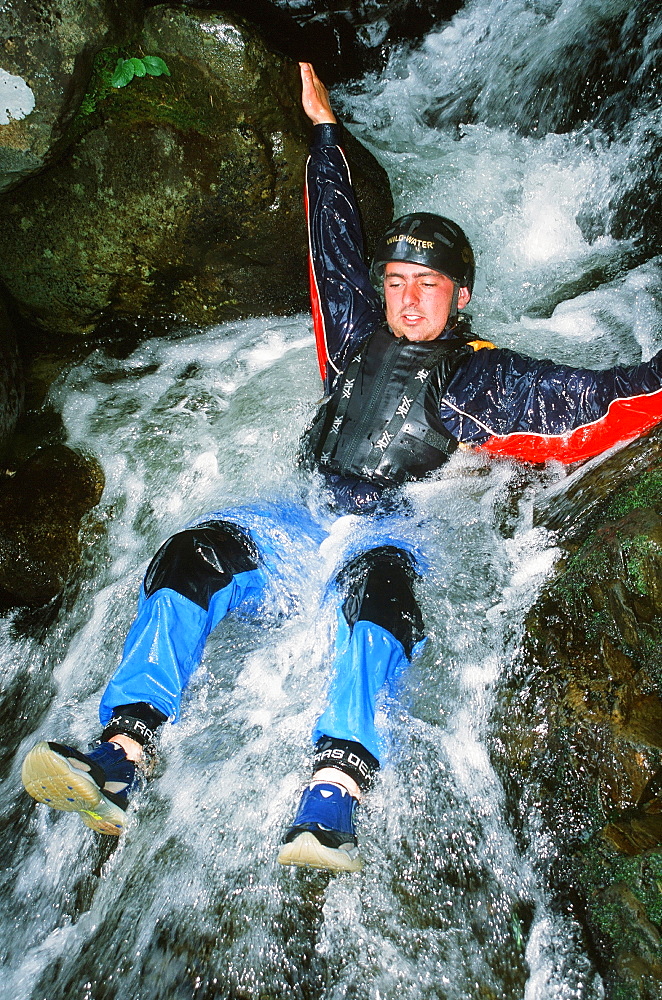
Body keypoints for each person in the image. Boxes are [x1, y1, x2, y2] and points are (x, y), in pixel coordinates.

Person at [21, 63, 662, 873]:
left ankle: (335, 791)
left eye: (428, 286)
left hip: (397, 529)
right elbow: (333, 246)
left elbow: (608, 400)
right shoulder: (354, 339)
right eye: (396, 283)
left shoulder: (488, 380)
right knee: (191, 553)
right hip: (303, 516)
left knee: (379, 596)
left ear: (461, 296)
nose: (408, 300)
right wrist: (324, 136)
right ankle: (121, 753)